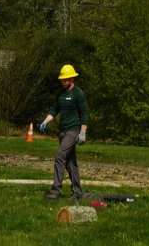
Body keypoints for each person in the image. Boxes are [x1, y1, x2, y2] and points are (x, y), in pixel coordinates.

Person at [39, 63, 88, 200]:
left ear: (72, 79)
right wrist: (45, 121)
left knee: (60, 155)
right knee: (70, 162)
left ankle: (55, 191)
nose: (63, 81)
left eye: (65, 79)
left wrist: (82, 132)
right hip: (62, 131)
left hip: (73, 131)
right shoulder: (60, 94)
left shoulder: (78, 94)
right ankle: (77, 192)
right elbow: (54, 110)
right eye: (62, 79)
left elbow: (84, 114)